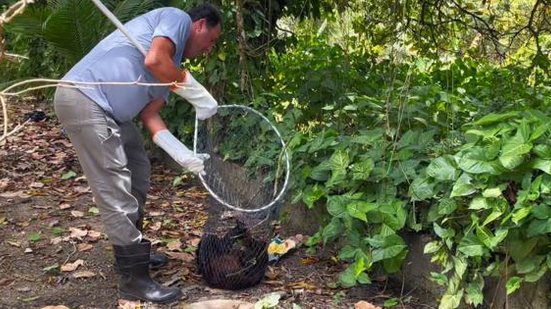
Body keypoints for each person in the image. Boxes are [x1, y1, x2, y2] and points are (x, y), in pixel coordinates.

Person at [53, 4, 222, 304]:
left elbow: (151, 118)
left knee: (138, 172)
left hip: (115, 114)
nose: (210, 48)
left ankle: (131, 253)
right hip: (85, 97)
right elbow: (154, 59)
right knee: (115, 185)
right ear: (199, 25)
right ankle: (134, 280)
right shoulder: (176, 19)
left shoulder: (172, 67)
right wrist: (197, 94)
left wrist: (182, 154)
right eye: (212, 40)